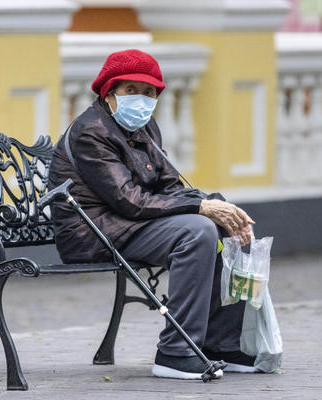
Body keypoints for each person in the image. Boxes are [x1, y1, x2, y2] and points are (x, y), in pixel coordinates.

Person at [48, 49, 256, 379]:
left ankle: (221, 343)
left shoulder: (144, 127)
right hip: (95, 232)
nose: (142, 100)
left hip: (129, 225)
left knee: (230, 226)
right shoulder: (91, 132)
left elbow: (169, 185)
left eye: (149, 92)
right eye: (131, 90)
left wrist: (217, 206)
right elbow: (128, 200)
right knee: (197, 231)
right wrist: (201, 208)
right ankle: (175, 352)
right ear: (109, 92)